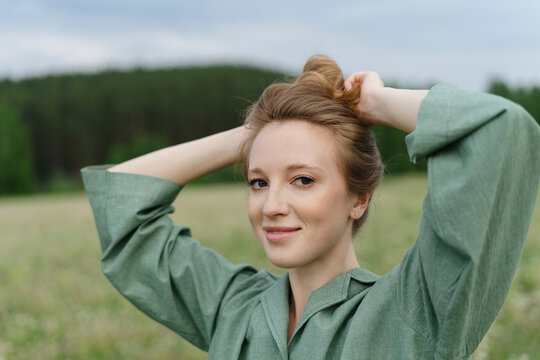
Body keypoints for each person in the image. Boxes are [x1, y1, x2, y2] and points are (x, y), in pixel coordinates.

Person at [81, 55, 540, 359]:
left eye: (303, 180)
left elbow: (501, 132)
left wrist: (377, 103)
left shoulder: (414, 310)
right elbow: (122, 204)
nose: (272, 206)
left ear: (358, 199)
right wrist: (256, 134)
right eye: (259, 182)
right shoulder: (232, 307)